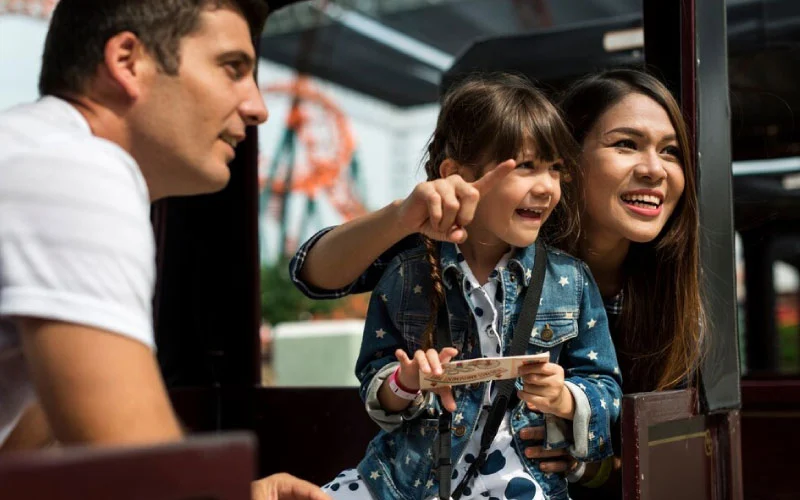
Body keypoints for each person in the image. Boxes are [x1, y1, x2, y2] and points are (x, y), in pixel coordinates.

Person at [289, 69, 704, 496]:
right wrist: (399, 218)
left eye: (671, 151)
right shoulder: (431, 253)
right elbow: (312, 275)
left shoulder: (658, 288)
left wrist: (587, 459)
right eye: (626, 144)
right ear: (574, 153)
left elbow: (651, 436)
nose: (655, 169)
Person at [0, 1, 326, 498]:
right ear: (128, 61)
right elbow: (148, 481)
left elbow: (17, 464)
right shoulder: (77, 172)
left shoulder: (36, 151)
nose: (257, 106)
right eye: (232, 69)